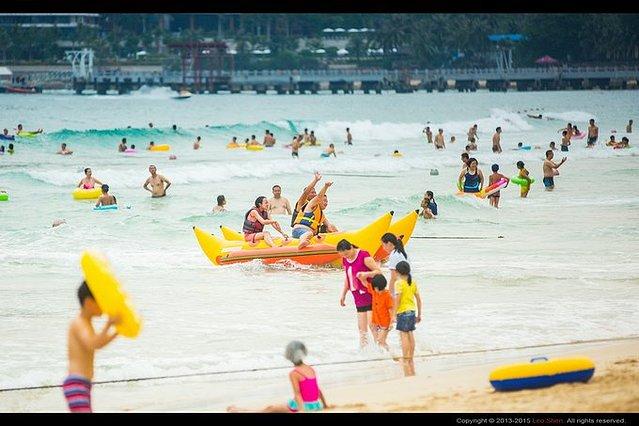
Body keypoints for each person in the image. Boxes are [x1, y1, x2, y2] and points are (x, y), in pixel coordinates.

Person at [64, 281, 120, 412]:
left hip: (83, 384)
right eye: (101, 301)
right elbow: (92, 343)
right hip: (76, 383)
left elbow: (98, 344)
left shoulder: (87, 324)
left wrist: (117, 331)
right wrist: (108, 324)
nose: (105, 307)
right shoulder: (79, 323)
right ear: (89, 302)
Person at [227, 341, 328, 413]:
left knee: (269, 409)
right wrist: (325, 405)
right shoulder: (310, 369)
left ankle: (238, 410)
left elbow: (297, 394)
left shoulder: (294, 373)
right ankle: (239, 409)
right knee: (273, 407)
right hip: (316, 405)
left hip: (303, 407)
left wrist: (301, 411)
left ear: (289, 355)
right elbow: (317, 390)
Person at [337, 239, 381, 348]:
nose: (346, 257)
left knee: (373, 325)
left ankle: (382, 349)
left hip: (370, 294)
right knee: (362, 329)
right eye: (343, 256)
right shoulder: (345, 259)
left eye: (347, 254)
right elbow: (348, 277)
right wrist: (343, 294)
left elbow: (379, 272)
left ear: (351, 248)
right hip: (357, 296)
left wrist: (366, 274)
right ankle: (363, 354)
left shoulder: (364, 256)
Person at [394, 261, 422, 377]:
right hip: (412, 311)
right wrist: (419, 314)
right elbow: (419, 300)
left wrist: (393, 314)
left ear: (398, 272)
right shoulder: (413, 283)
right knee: (410, 334)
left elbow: (398, 300)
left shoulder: (399, 283)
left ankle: (406, 358)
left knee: (404, 335)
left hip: (403, 312)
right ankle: (411, 357)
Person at [291, 181, 337, 249]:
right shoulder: (310, 205)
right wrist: (326, 186)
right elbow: (318, 196)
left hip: (311, 232)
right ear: (318, 201)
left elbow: (329, 227)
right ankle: (302, 242)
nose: (326, 203)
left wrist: (337, 234)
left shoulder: (321, 214)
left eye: (327, 201)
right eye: (324, 201)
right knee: (309, 233)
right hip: (300, 230)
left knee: (332, 226)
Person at [367, 275, 394, 351]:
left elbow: (390, 310)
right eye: (375, 288)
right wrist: (361, 275)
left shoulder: (387, 295)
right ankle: (387, 354)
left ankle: (391, 354)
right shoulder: (374, 291)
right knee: (380, 341)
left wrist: (391, 323)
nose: (377, 290)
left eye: (378, 289)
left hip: (386, 324)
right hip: (377, 321)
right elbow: (365, 283)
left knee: (380, 341)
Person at [380, 232, 409, 300]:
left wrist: (390, 295)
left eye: (383, 245)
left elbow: (394, 278)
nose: (383, 248)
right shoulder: (400, 252)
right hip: (407, 286)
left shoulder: (394, 255)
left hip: (401, 289)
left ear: (389, 243)